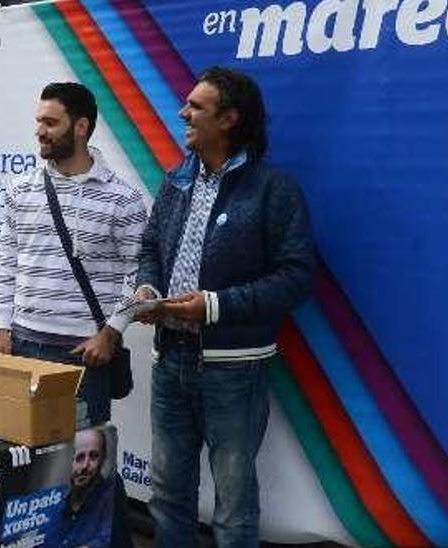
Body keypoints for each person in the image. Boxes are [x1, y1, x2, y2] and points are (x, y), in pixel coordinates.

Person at [133, 67, 315, 547]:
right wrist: (148, 289)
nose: (182, 113)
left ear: (230, 118)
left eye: (196, 106)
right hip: (169, 360)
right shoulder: (177, 181)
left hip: (232, 372)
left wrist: (214, 306)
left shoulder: (274, 190)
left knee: (233, 508)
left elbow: (297, 277)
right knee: (168, 495)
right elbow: (150, 245)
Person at [0, 82, 149, 427]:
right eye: (39, 122)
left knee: (83, 466)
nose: (40, 132)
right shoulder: (21, 188)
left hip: (84, 354)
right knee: (24, 460)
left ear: (81, 127)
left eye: (50, 123)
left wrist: (111, 332)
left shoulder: (123, 198)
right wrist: (1, 328)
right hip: (21, 344)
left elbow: (139, 273)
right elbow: (7, 261)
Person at [59, 428, 116, 548]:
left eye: (94, 456)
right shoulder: (51, 496)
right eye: (79, 457)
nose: (85, 466)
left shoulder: (111, 491)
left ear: (102, 459)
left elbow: (108, 538)